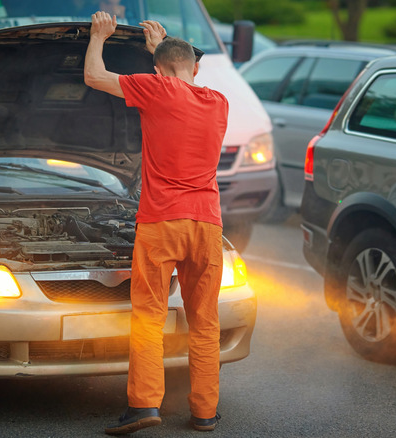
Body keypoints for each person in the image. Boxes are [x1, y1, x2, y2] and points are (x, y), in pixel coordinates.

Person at [84, 11, 229, 435]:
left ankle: (145, 405)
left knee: (149, 317)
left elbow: (95, 76)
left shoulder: (155, 89)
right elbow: (178, 76)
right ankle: (204, 411)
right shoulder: (218, 102)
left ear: (156, 71)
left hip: (162, 222)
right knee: (205, 321)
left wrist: (99, 36)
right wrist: (158, 51)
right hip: (207, 224)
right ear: (197, 68)